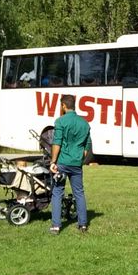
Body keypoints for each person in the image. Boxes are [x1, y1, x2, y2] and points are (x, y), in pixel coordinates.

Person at [49, 94, 92, 234]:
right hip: (76, 164)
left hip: (62, 163)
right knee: (79, 193)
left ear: (63, 105)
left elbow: (57, 142)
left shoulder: (60, 121)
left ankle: (56, 226)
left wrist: (53, 161)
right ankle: (83, 224)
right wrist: (80, 157)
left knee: (57, 192)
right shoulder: (84, 123)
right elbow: (88, 145)